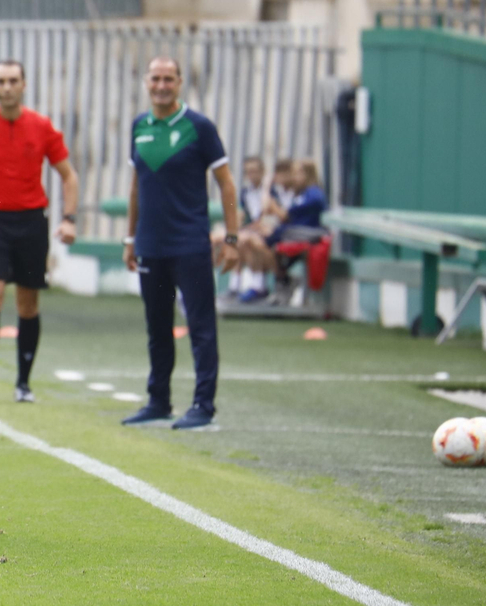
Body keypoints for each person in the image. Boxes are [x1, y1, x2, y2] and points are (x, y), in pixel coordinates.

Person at [0, 59, 79, 403]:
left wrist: (69, 218)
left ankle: (23, 383)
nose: (6, 87)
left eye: (12, 81)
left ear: (24, 85)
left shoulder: (42, 127)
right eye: (0, 81)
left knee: (28, 304)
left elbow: (69, 175)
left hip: (31, 222)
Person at [120, 56, 240, 431]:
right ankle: (159, 401)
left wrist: (232, 238)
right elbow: (136, 185)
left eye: (168, 79)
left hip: (190, 245)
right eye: (155, 78)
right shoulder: (139, 126)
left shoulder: (199, 127)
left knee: (201, 327)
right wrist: (130, 237)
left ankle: (203, 405)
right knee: (157, 327)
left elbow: (226, 184)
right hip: (150, 246)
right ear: (145, 82)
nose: (161, 85)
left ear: (180, 82)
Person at [237, 159, 329, 299]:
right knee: (239, 239)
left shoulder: (312, 193)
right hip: (288, 232)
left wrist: (268, 191)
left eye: (298, 173)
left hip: (303, 235)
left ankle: (278, 281)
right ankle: (255, 285)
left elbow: (284, 214)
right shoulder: (300, 193)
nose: (294, 177)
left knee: (254, 240)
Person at [218, 155, 268, 303]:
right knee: (232, 239)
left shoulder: (269, 191)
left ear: (262, 172)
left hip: (266, 233)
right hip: (252, 231)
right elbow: (245, 215)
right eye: (248, 172)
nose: (251, 175)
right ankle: (234, 286)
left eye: (254, 171)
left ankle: (259, 286)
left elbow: (266, 218)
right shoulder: (246, 192)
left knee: (243, 239)